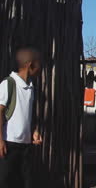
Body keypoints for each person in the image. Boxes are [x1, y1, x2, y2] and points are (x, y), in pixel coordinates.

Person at [0, 47, 43, 188]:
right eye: (38, 65)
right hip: (8, 144)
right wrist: (0, 140)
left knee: (26, 182)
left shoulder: (30, 87)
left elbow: (27, 115)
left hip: (25, 146)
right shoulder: (8, 84)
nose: (40, 69)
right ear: (30, 64)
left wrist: (34, 131)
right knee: (6, 181)